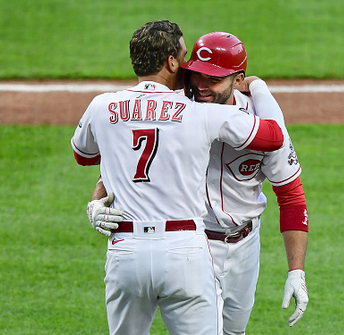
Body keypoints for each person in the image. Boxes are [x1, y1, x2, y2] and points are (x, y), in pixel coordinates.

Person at [87, 31, 309, 334]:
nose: (201, 86)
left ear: (237, 79)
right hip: (194, 243)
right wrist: (96, 200)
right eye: (196, 75)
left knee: (234, 331)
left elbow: (292, 197)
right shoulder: (174, 110)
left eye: (213, 79)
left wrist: (297, 271)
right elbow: (123, 161)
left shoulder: (258, 116)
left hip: (245, 243)